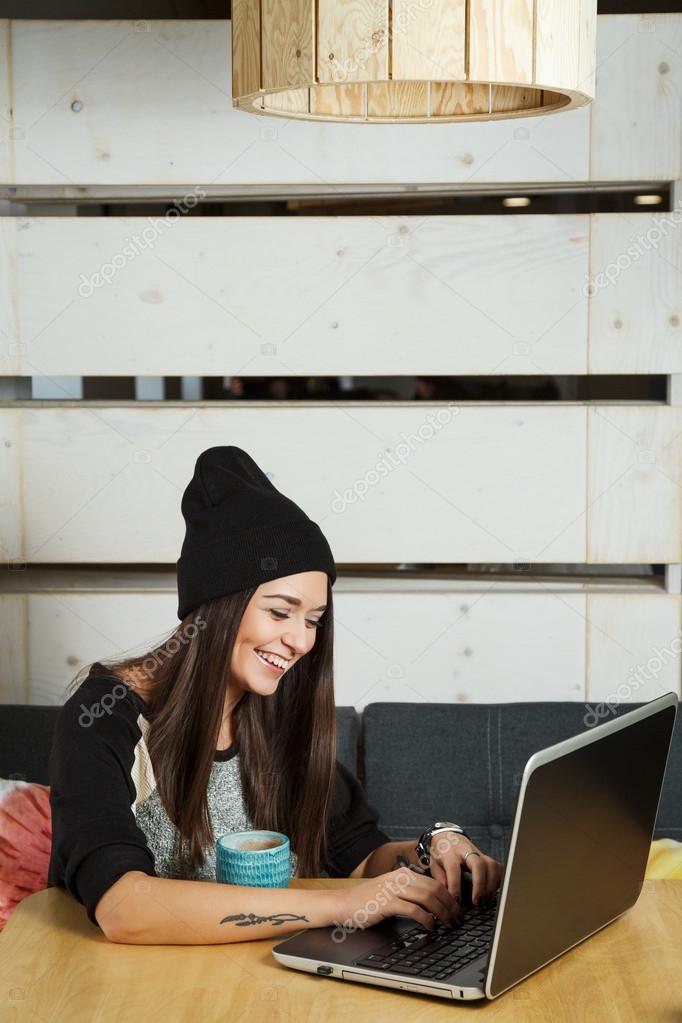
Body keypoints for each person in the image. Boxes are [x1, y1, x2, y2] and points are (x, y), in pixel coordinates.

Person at [48, 446, 502, 946]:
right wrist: (338, 904)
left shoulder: (278, 711)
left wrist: (432, 849)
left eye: (313, 620)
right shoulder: (104, 715)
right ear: (216, 606)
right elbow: (123, 907)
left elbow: (361, 859)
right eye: (281, 612)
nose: (301, 641)